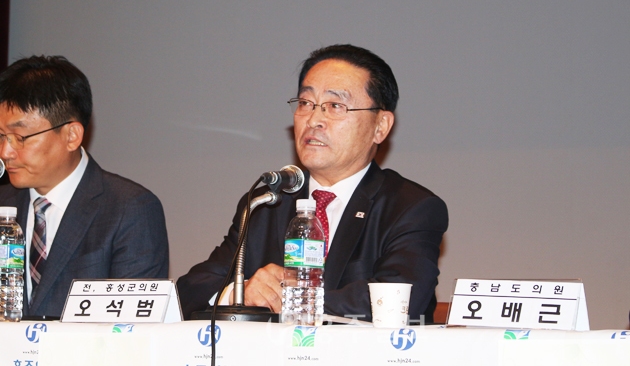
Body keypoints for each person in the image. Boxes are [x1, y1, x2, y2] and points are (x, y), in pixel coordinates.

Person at [177, 44, 448, 322]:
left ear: (380, 126)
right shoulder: (268, 203)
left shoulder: (411, 208)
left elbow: (398, 301)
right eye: (306, 103)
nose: (314, 119)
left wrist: (291, 298)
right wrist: (239, 293)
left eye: (335, 106)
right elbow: (189, 291)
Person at [0, 55, 169, 318]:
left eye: (20, 137)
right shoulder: (3, 203)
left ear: (71, 136)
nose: (6, 152)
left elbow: (133, 329)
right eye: (1, 136)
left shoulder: (130, 209)